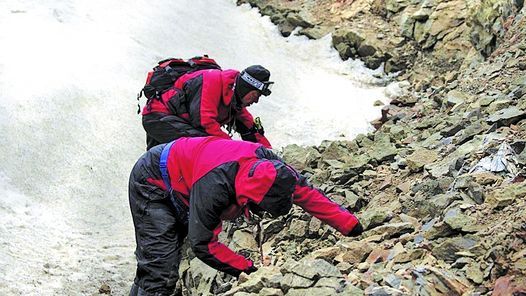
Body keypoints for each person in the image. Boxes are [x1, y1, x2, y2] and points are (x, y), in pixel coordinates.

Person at [128, 136, 364, 296]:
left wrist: (351, 226)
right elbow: (203, 244)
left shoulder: (276, 168)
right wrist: (249, 270)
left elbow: (309, 194)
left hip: (184, 174)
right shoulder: (215, 186)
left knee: (159, 259)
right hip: (152, 180)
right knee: (160, 266)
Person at [141, 65, 273, 150]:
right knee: (208, 146)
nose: (256, 101)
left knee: (157, 166)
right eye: (255, 95)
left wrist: (268, 154)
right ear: (245, 88)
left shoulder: (235, 99)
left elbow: (250, 129)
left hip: (173, 121)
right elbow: (204, 123)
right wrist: (234, 147)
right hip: (158, 118)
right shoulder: (211, 81)